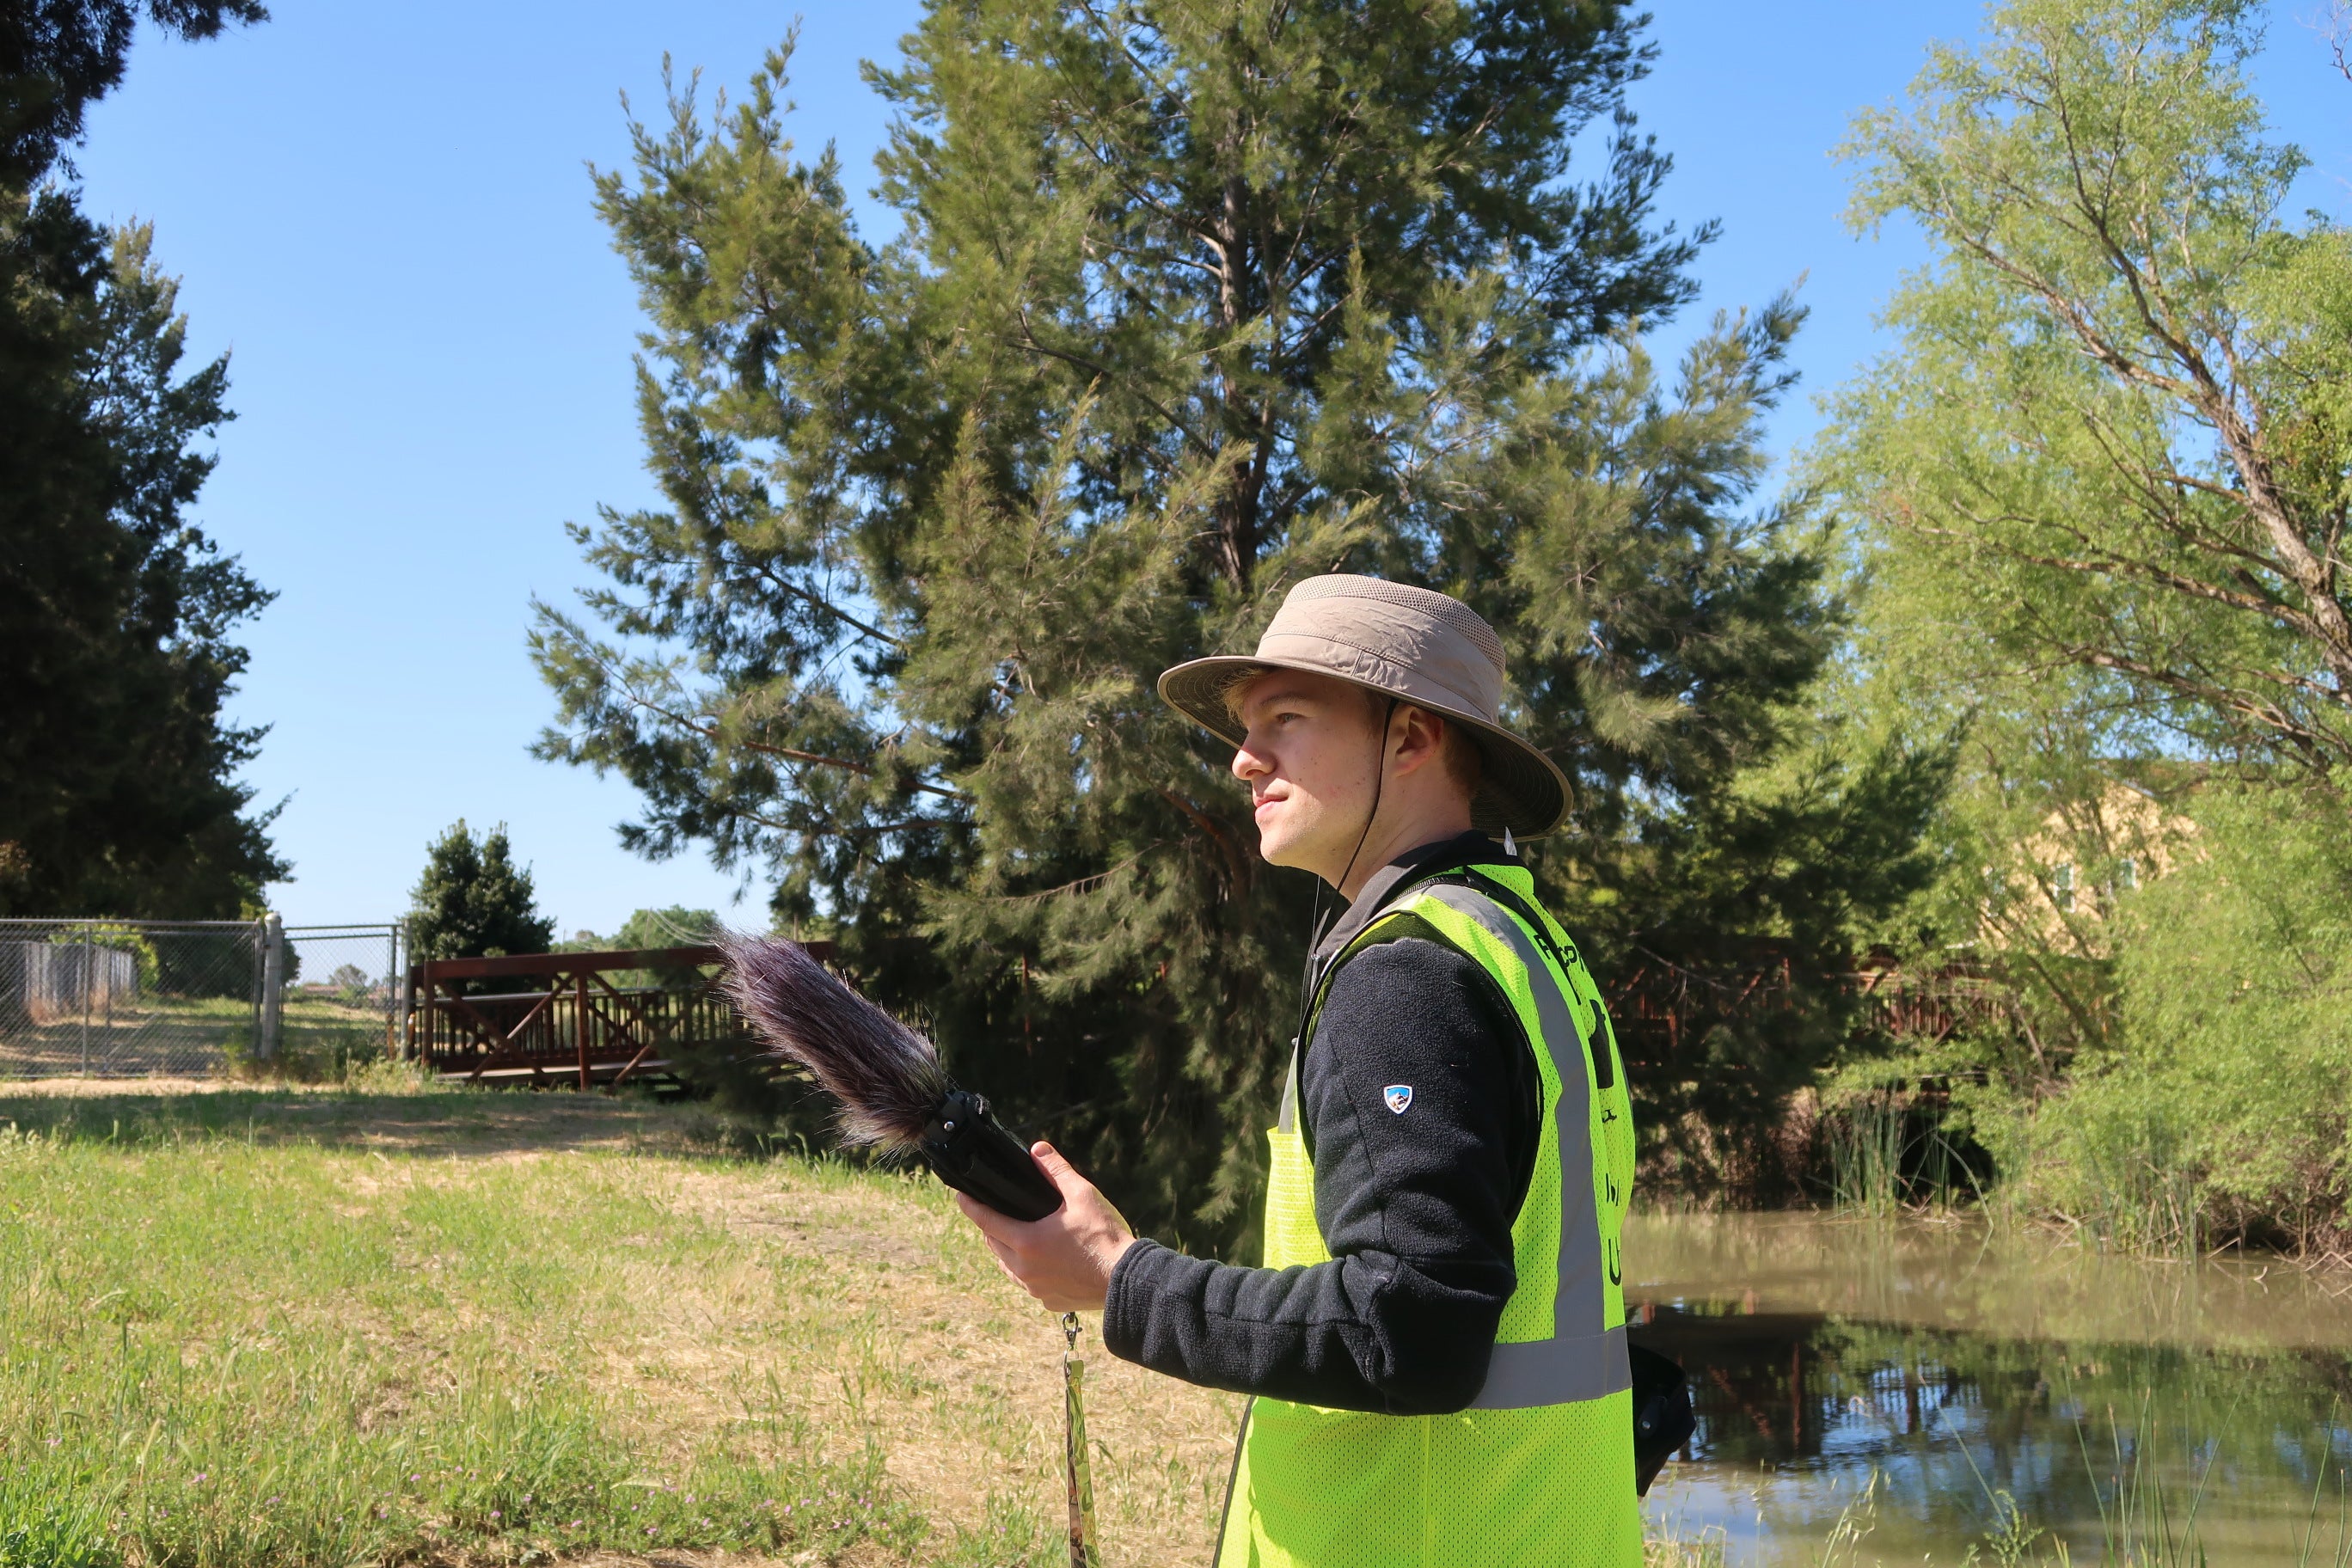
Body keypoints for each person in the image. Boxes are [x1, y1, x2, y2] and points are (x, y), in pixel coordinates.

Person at [953, 574, 1644, 1567]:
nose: (1243, 761)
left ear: (1410, 739)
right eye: (1244, 726)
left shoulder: (1405, 977)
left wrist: (1120, 1280)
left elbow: (1411, 1326)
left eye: (1287, 717)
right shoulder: (1525, 942)